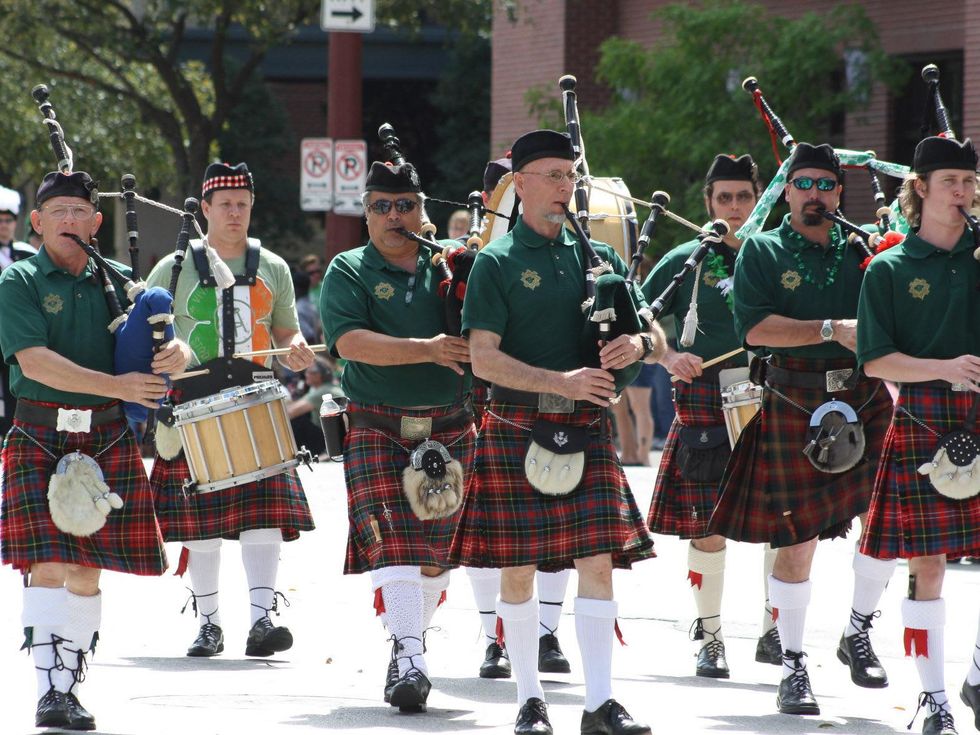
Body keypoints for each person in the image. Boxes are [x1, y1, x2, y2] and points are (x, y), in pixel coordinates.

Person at [451, 129, 663, 735]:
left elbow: (656, 336)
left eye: (570, 176)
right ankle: (528, 700)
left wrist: (639, 343)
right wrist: (563, 382)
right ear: (519, 185)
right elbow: (483, 359)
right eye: (551, 175)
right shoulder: (495, 262)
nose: (564, 187)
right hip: (518, 422)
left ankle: (599, 703)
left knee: (596, 561)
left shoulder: (600, 260)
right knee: (518, 567)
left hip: (586, 427)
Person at [707, 143, 897, 716]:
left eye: (827, 185)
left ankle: (858, 629)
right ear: (788, 192)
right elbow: (757, 330)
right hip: (793, 396)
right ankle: (792, 665)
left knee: (890, 525)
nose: (816, 194)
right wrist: (828, 328)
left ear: (840, 193)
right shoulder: (761, 251)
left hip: (863, 396)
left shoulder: (868, 252)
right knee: (796, 542)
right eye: (804, 184)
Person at [0, 170, 189, 730]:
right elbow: (33, 361)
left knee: (87, 571)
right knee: (49, 564)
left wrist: (174, 353)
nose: (68, 221)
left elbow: (159, 348)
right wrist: (119, 388)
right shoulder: (20, 281)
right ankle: (48, 690)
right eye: (56, 212)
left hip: (105, 435)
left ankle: (69, 682)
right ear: (36, 223)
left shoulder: (125, 283)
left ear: (97, 222)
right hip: (40, 430)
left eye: (79, 211)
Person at [320, 154, 476, 712]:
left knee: (437, 551)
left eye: (404, 205)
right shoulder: (348, 269)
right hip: (376, 419)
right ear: (365, 214)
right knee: (394, 541)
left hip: (451, 421)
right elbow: (350, 344)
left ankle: (410, 641)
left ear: (423, 212)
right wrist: (428, 349)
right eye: (381, 206)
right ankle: (409, 655)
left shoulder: (454, 267)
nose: (393, 215)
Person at [146, 162, 316, 660]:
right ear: (205, 210)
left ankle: (263, 621)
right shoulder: (173, 267)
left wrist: (299, 346)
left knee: (261, 517)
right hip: (192, 400)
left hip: (256, 398)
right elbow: (149, 327)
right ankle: (209, 624)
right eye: (225, 205)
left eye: (243, 203)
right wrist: (169, 346)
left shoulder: (275, 268)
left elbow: (286, 332)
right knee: (200, 524)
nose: (235, 213)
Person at [857, 135, 980, 735]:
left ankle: (977, 670)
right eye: (951, 182)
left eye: (970, 182)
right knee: (928, 564)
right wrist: (944, 368)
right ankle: (933, 700)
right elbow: (877, 362)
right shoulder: (889, 268)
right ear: (920, 189)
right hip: (928, 414)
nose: (963, 192)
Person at [643, 153, 783, 678]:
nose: (734, 206)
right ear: (707, 204)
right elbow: (640, 317)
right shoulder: (688, 257)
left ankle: (776, 631)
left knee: (783, 525)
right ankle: (710, 637)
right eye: (723, 197)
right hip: (705, 404)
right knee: (708, 529)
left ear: (759, 199)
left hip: (772, 397)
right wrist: (665, 355)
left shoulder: (775, 256)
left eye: (743, 196)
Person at [465, 153, 576, 683]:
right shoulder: (481, 257)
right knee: (503, 543)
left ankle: (546, 631)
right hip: (489, 403)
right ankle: (494, 638)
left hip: (560, 406)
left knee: (561, 536)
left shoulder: (575, 250)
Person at [0, 185, 38, 436]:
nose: (4, 225)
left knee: (18, 388)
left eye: (8, 220)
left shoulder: (27, 253)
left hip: (17, 333)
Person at [284, 358, 338, 456]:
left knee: (296, 422)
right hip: (326, 435)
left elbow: (290, 412)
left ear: (320, 375)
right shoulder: (319, 389)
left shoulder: (323, 391)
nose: (306, 374)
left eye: (310, 372)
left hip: (327, 439)